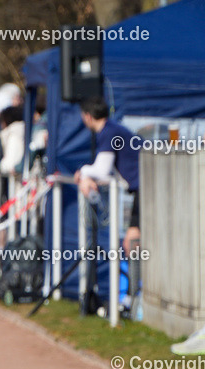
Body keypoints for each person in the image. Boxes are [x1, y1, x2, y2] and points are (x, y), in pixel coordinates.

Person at [74, 96, 141, 294]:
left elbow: (101, 170)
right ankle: (133, 297)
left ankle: (135, 299)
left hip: (146, 190)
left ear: (87, 117)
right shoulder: (113, 130)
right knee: (132, 243)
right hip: (143, 189)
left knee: (132, 243)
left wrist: (84, 172)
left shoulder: (109, 132)